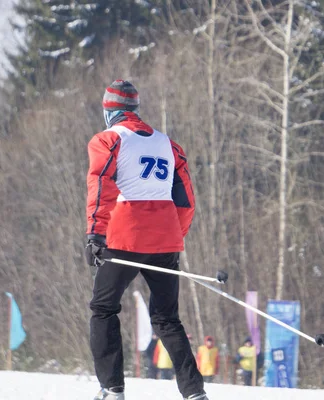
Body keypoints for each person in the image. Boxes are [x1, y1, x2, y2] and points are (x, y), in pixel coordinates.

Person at [85, 80, 205, 400]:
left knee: (103, 309)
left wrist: (95, 233)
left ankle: (112, 389)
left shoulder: (109, 139)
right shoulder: (169, 145)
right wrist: (171, 236)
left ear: (110, 111)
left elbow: (102, 183)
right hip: (165, 239)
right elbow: (186, 201)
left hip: (124, 236)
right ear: (136, 110)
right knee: (167, 319)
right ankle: (194, 393)